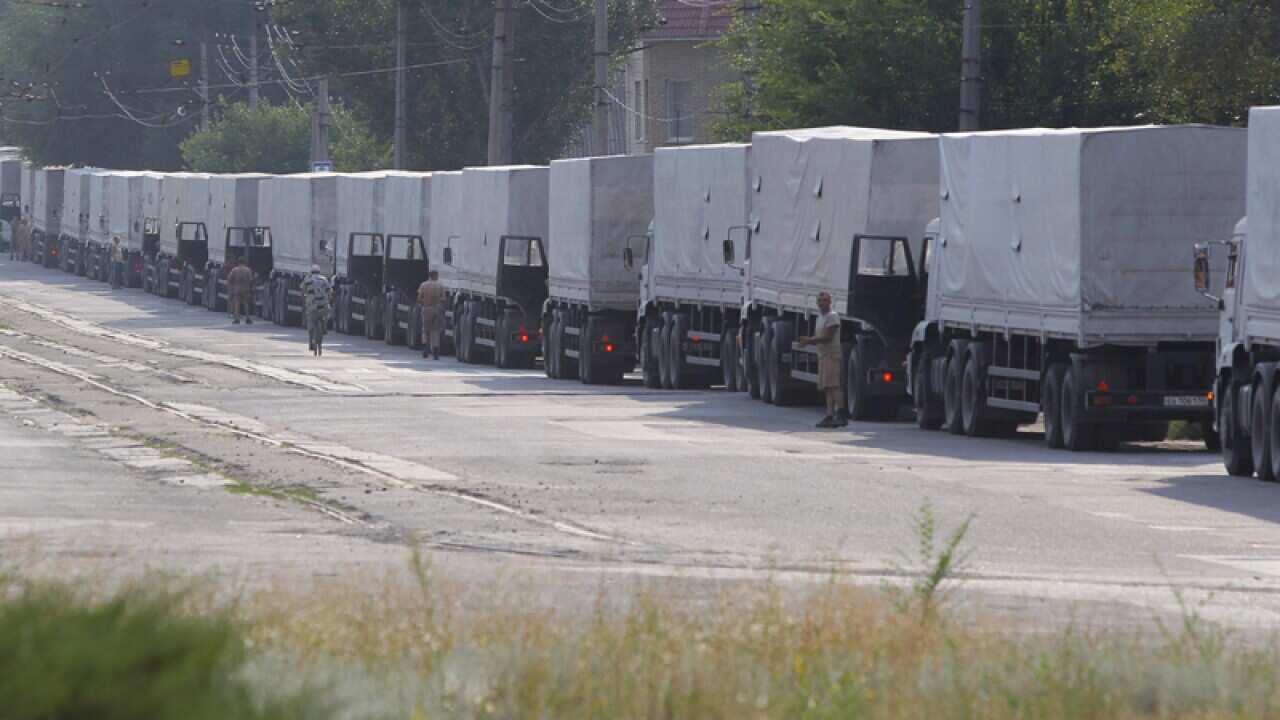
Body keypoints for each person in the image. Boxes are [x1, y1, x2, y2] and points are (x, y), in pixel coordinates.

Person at [798, 291, 847, 428]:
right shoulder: (820, 317)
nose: (822, 303)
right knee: (827, 387)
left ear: (830, 301)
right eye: (819, 300)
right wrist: (811, 341)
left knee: (834, 385)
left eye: (825, 300)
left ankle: (841, 414)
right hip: (823, 355)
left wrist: (808, 341)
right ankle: (829, 415)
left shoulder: (832, 317)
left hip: (831, 355)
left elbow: (827, 337)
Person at [300, 265, 333, 351]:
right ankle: (324, 325)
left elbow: (302, 290)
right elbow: (330, 291)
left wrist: (304, 299)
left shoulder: (308, 280)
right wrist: (329, 299)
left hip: (312, 305)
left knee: (310, 322)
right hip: (323, 304)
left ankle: (311, 342)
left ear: (311, 272)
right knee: (327, 312)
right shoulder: (324, 279)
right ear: (319, 272)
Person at [417, 270, 446, 359]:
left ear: (429, 276)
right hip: (436, 309)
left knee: (425, 330)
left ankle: (425, 348)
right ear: (436, 276)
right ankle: (435, 352)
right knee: (435, 331)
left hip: (426, 309)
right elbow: (443, 299)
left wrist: (423, 303)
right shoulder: (440, 286)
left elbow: (419, 298)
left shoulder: (423, 285)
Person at [226, 257, 255, 325]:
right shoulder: (248, 270)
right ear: (244, 262)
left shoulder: (235, 269)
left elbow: (229, 279)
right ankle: (248, 318)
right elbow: (251, 280)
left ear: (238, 263)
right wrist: (251, 289)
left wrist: (231, 288)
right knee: (246, 304)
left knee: (237, 304)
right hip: (246, 288)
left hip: (237, 288)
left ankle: (237, 319)